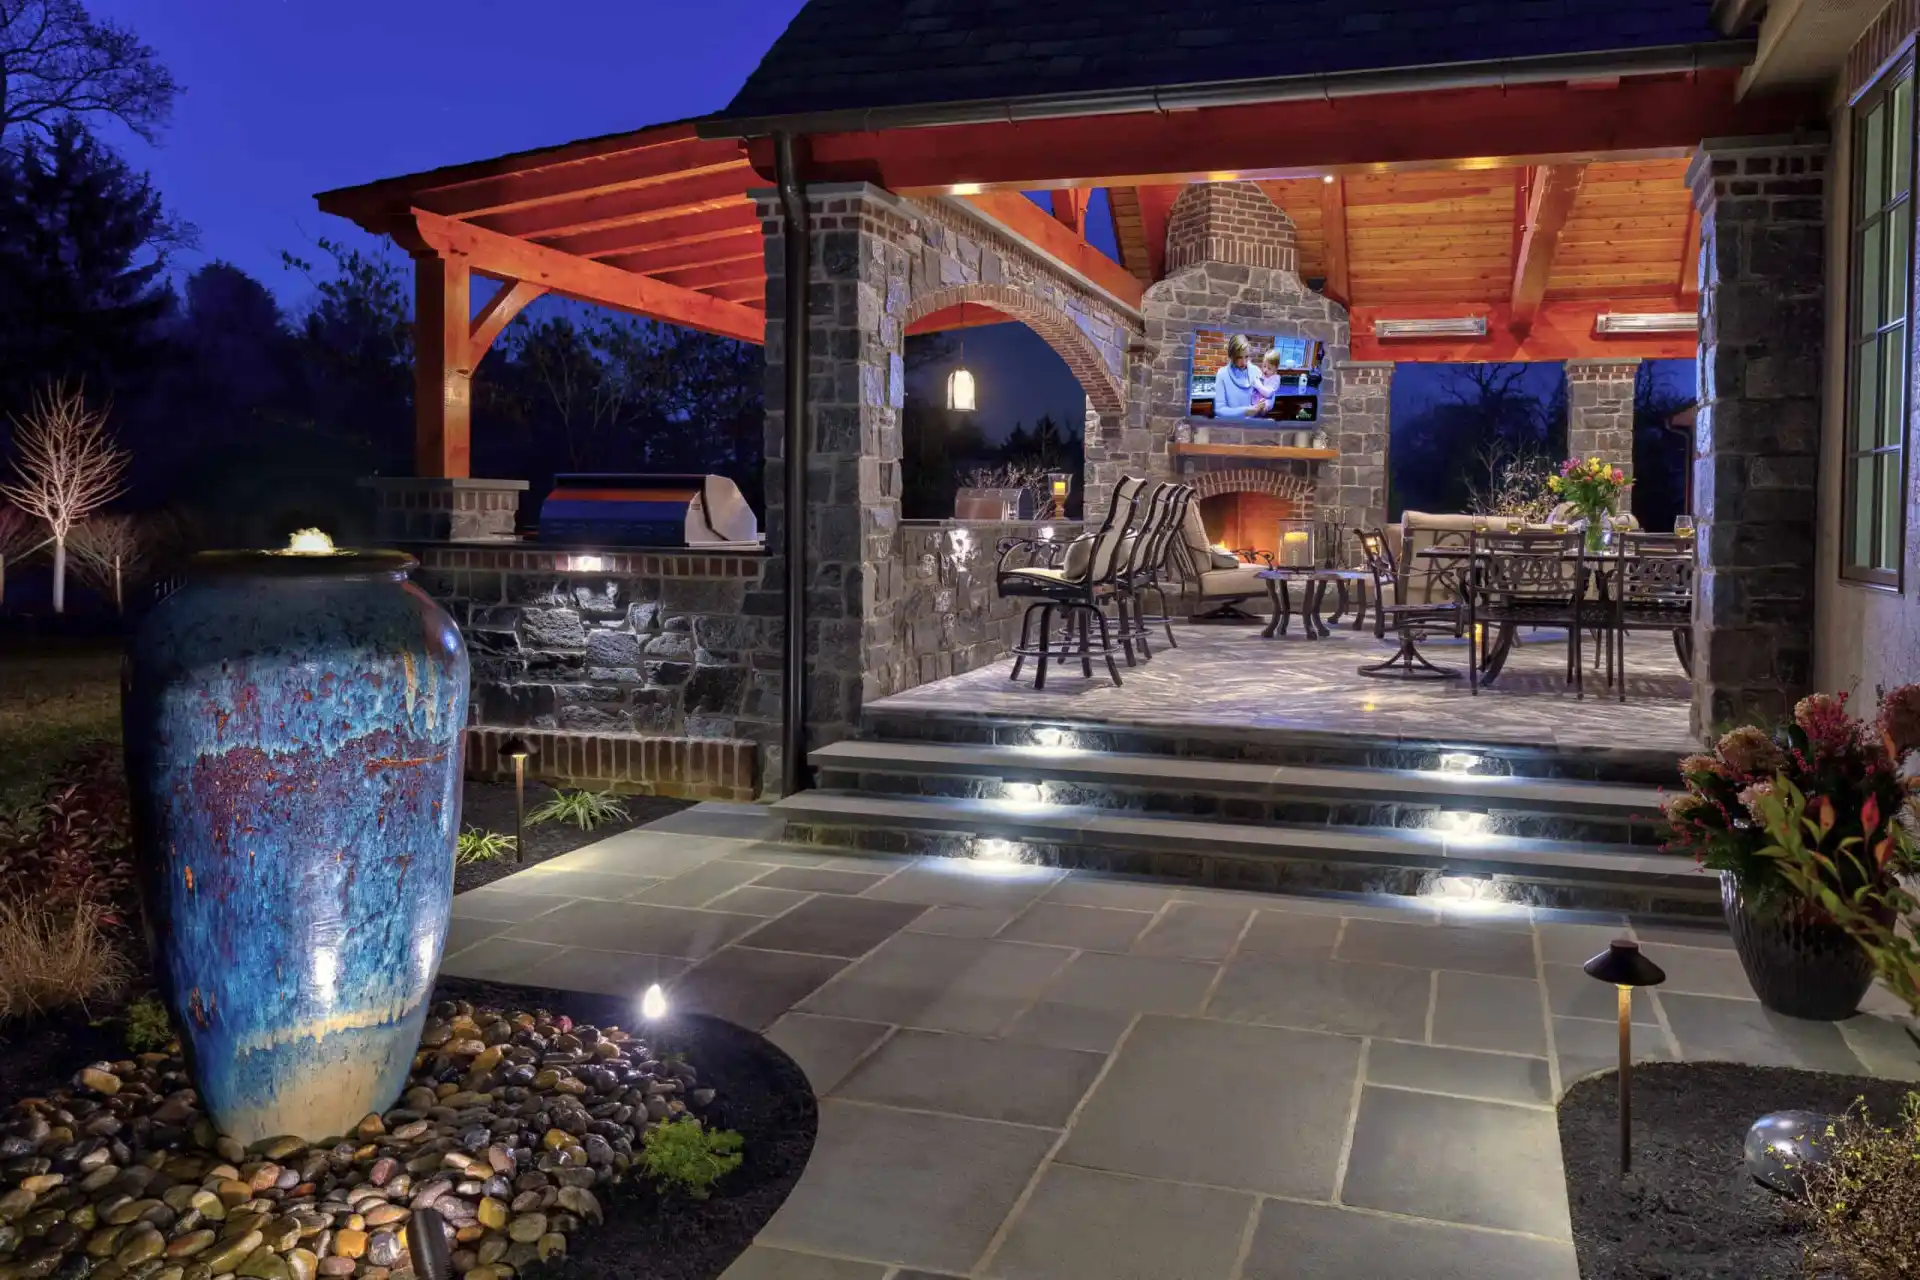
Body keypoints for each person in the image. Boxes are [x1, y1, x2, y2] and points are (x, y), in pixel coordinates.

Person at [1212, 334, 1269, 418]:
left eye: (1246, 357)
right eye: (1239, 357)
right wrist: (1245, 411)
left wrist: (1264, 408)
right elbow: (1219, 410)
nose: (1244, 362)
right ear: (1231, 356)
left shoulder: (1256, 371)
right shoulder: (1222, 374)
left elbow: (1262, 400)